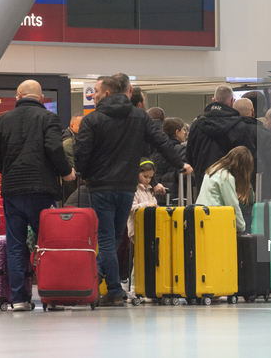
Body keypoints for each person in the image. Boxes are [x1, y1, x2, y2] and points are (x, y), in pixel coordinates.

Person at [74, 75, 192, 306]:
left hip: (100, 187)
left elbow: (81, 156)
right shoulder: (139, 117)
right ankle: (97, 284)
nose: (93, 94)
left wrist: (86, 174)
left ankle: (112, 290)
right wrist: (180, 164)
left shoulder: (93, 120)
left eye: (96, 91)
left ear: (107, 93)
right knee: (116, 238)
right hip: (127, 187)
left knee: (108, 240)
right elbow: (161, 141)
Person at [0, 80, 76, 311]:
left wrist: (7, 171)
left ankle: (18, 300)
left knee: (16, 245)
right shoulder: (49, 118)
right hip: (42, 191)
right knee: (47, 245)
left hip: (13, 192)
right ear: (40, 98)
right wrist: (66, 172)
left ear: (18, 95)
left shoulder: (2, 120)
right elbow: (54, 148)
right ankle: (51, 297)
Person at [186, 85, 256, 192]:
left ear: (213, 100)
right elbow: (248, 158)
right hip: (231, 185)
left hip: (203, 183)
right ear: (232, 102)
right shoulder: (240, 127)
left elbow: (189, 157)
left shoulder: (196, 125)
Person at [196, 146, 254, 234]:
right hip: (214, 221)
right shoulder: (226, 177)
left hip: (200, 217)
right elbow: (232, 206)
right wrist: (242, 228)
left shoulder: (213, 169)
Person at [125, 158, 158, 300]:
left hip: (149, 229)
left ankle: (146, 286)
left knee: (147, 258)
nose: (148, 180)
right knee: (138, 259)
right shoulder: (132, 190)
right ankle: (133, 288)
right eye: (145, 176)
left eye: (150, 177)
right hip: (136, 230)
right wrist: (146, 205)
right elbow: (130, 208)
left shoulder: (150, 190)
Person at [154, 117, 188, 205]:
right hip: (177, 196)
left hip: (159, 194)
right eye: (183, 130)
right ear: (177, 132)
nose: (185, 133)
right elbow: (184, 175)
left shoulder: (156, 150)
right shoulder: (182, 149)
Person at [62, 113, 84, 202]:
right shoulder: (68, 142)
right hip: (72, 185)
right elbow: (73, 167)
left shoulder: (80, 139)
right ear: (72, 126)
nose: (84, 128)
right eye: (80, 125)